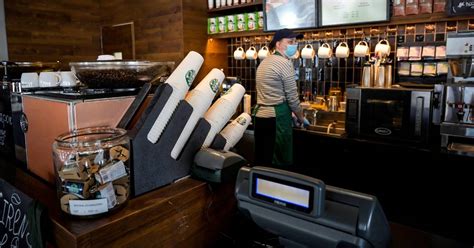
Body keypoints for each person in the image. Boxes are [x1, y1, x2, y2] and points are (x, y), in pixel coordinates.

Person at [253, 28, 308, 169]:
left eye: (295, 42)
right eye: (290, 41)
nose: (294, 45)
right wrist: (301, 118)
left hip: (259, 118)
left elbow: (271, 94)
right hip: (275, 120)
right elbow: (292, 98)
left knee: (262, 161)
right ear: (278, 44)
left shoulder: (264, 62)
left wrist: (292, 115)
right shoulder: (285, 63)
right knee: (277, 165)